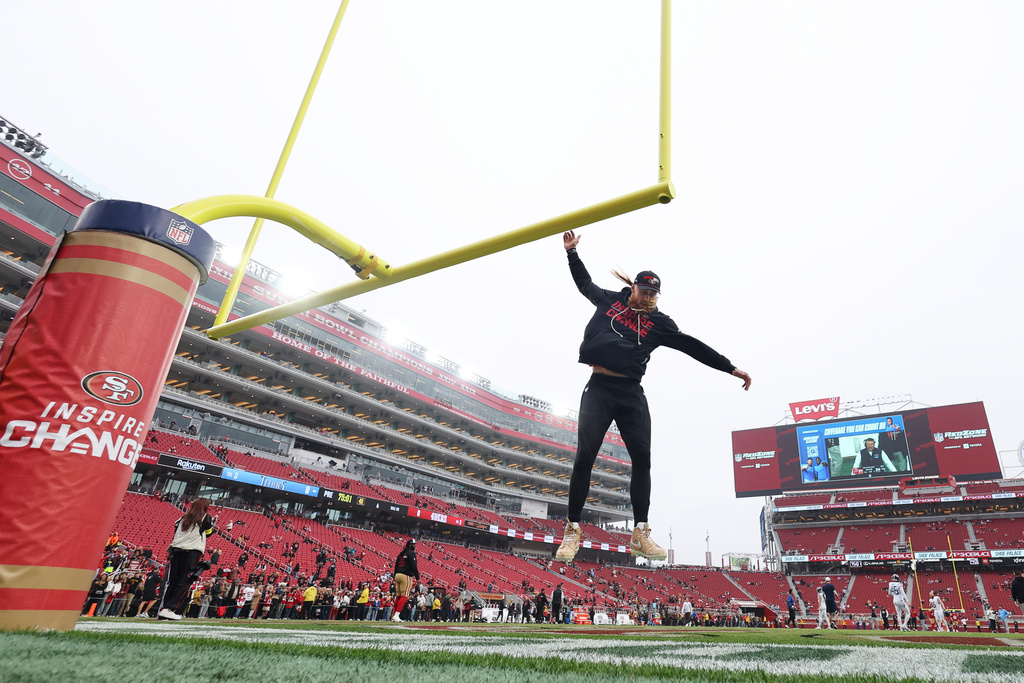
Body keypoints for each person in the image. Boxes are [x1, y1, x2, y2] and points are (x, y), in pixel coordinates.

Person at [554, 230, 751, 562]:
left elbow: (692, 346)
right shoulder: (609, 301)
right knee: (584, 456)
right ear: (633, 288)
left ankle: (640, 531)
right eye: (644, 292)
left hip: (631, 393)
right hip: (599, 388)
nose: (648, 299)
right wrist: (572, 253)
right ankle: (572, 530)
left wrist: (730, 368)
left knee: (642, 459)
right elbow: (584, 284)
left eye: (654, 295)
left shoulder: (659, 323)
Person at [157, 498, 215, 620]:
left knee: (172, 581)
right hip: (192, 551)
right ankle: (170, 608)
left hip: (176, 551)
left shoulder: (182, 518)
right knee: (184, 581)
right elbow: (209, 532)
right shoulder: (206, 517)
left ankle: (163, 609)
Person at [390, 538, 419, 622]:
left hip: (397, 574)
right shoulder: (411, 553)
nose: (415, 546)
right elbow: (414, 566)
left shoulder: (401, 553)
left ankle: (394, 615)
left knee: (398, 596)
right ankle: (396, 615)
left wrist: (395, 575)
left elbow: (396, 565)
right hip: (405, 575)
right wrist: (417, 577)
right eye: (414, 544)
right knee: (404, 596)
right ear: (410, 545)